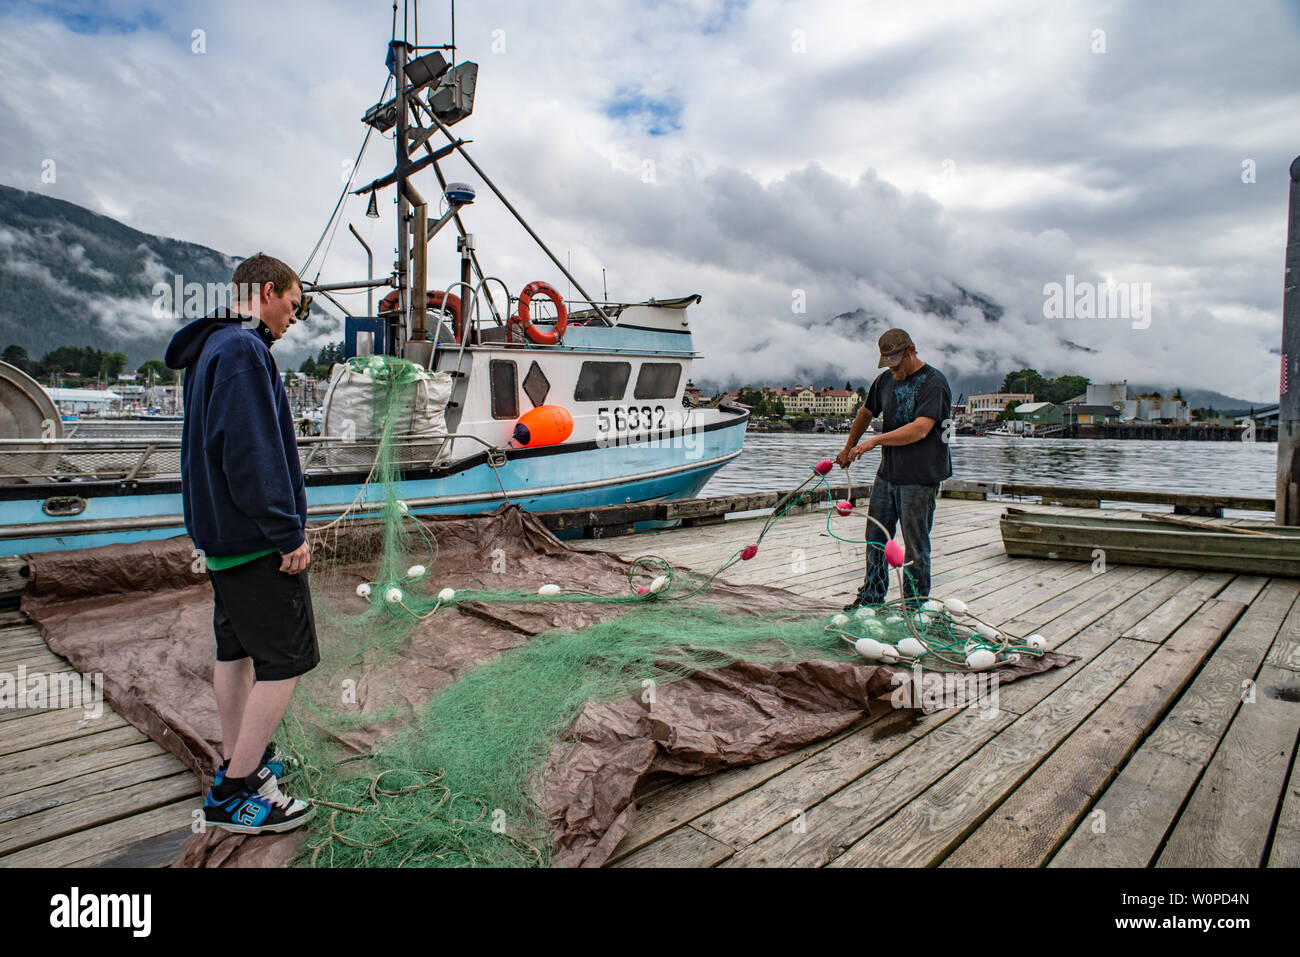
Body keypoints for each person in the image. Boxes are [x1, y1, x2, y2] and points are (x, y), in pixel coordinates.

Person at [164, 253, 317, 834]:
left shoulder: (209, 347)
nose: (292, 320)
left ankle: (242, 763)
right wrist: (287, 533)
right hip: (255, 541)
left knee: (236, 652)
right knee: (287, 660)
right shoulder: (244, 351)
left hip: (221, 539)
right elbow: (250, 454)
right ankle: (232, 796)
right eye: (293, 306)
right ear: (270, 292)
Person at [836, 328, 952, 611]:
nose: (894, 371)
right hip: (888, 474)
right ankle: (871, 596)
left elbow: (921, 429)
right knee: (875, 537)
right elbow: (866, 412)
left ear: (912, 350)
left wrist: (875, 440)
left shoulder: (933, 382)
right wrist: (849, 447)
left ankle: (914, 605)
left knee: (915, 545)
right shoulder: (884, 380)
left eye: (898, 364)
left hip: (920, 477)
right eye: (889, 365)